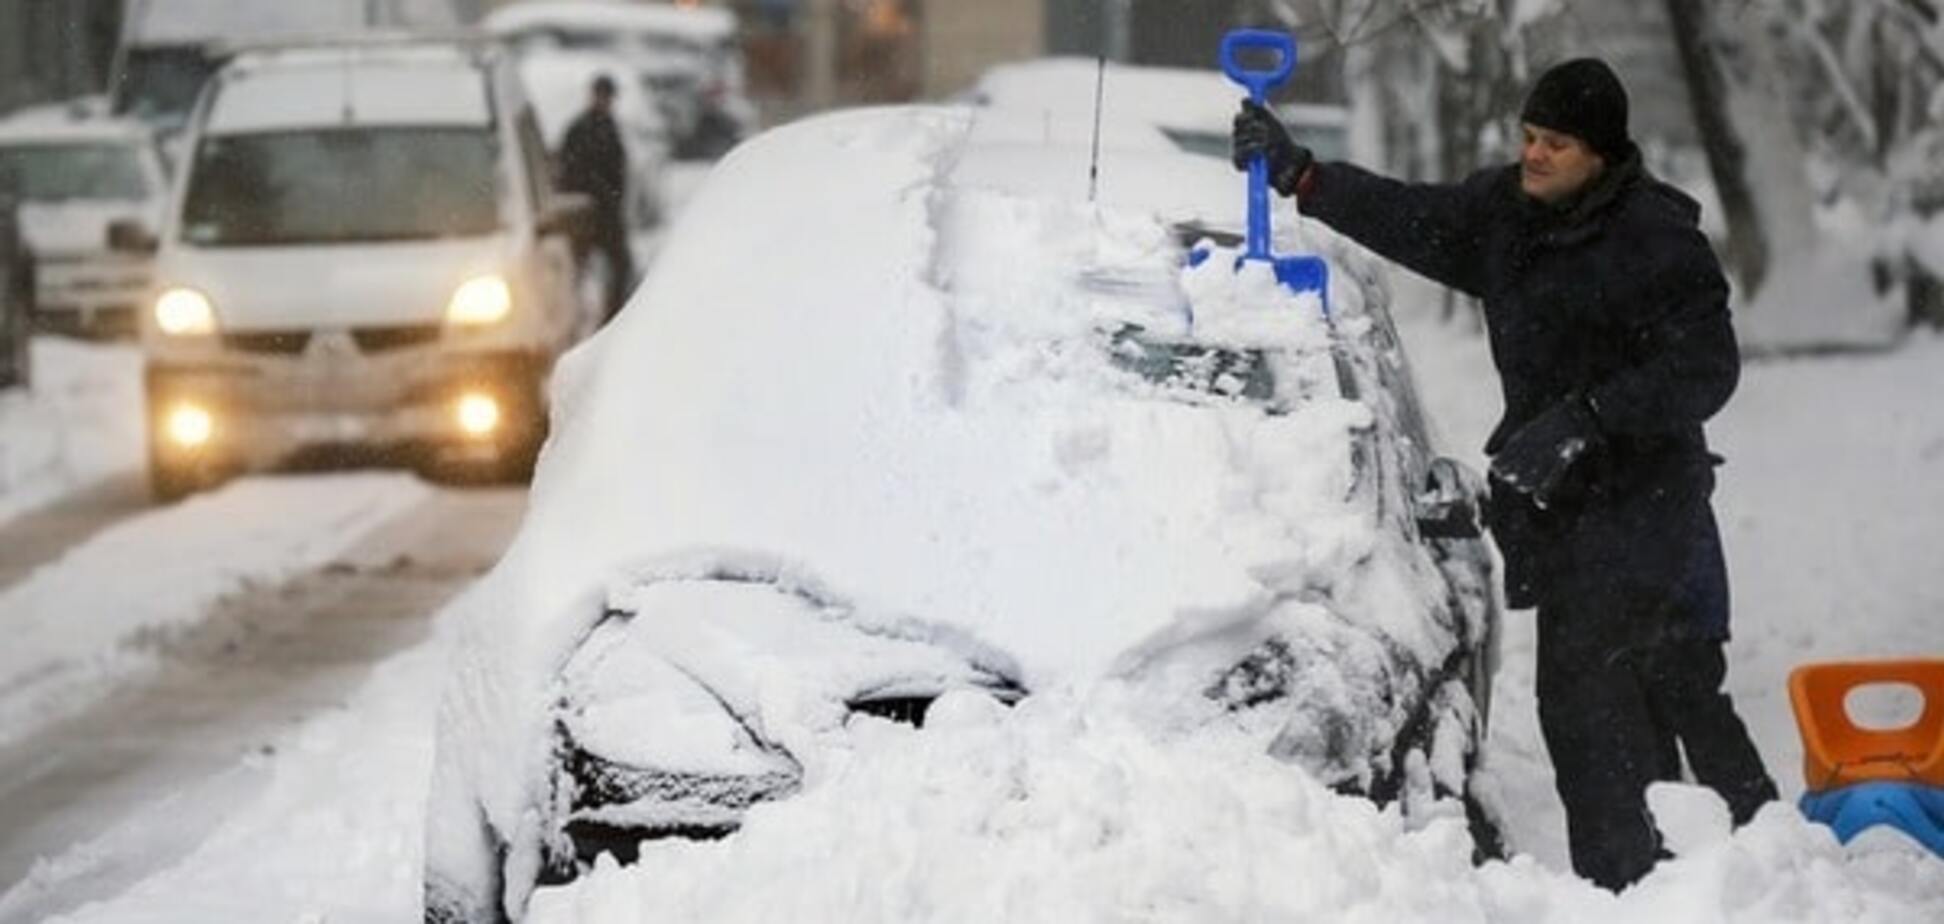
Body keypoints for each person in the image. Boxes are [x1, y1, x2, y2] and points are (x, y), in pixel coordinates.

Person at [1233, 58, 1778, 890]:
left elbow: (1707, 368)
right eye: (1528, 136)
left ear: (1600, 152)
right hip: (1566, 516)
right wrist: (1306, 177)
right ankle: (1648, 885)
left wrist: (1589, 417)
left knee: (1664, 699)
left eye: (1555, 142)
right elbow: (1412, 217)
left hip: (1652, 510)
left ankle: (1748, 873)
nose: (1534, 154)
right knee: (1595, 716)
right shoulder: (1507, 215)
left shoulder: (1658, 240)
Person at [557, 73, 636, 323]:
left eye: (608, 96)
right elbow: (568, 171)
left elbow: (617, 174)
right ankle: (575, 315)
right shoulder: (580, 129)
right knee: (575, 270)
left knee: (619, 267)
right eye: (602, 95)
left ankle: (611, 317)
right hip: (583, 212)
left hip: (604, 212)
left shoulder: (608, 127)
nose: (605, 101)